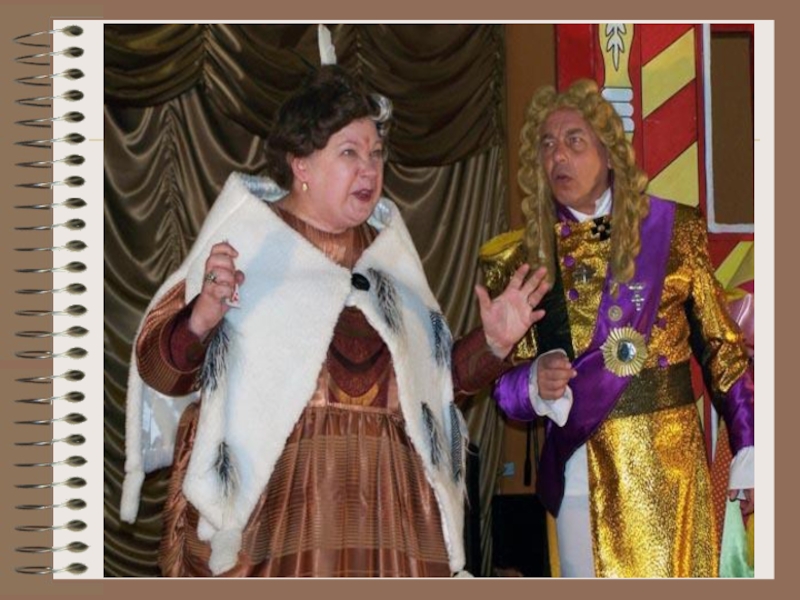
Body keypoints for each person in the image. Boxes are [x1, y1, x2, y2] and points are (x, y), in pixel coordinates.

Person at [120, 65, 549, 577]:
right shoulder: (248, 245)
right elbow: (160, 373)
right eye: (349, 153)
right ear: (300, 162)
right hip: (282, 521)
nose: (369, 169)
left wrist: (493, 344)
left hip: (392, 518)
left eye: (376, 154)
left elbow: (432, 392)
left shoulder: (391, 262)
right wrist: (200, 319)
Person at [488, 79, 754, 577]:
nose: (558, 156)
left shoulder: (676, 231)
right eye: (547, 145)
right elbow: (501, 387)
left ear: (610, 154)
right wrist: (533, 383)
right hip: (581, 475)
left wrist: (752, 447)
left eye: (574, 141)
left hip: (672, 472)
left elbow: (723, 348)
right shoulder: (524, 258)